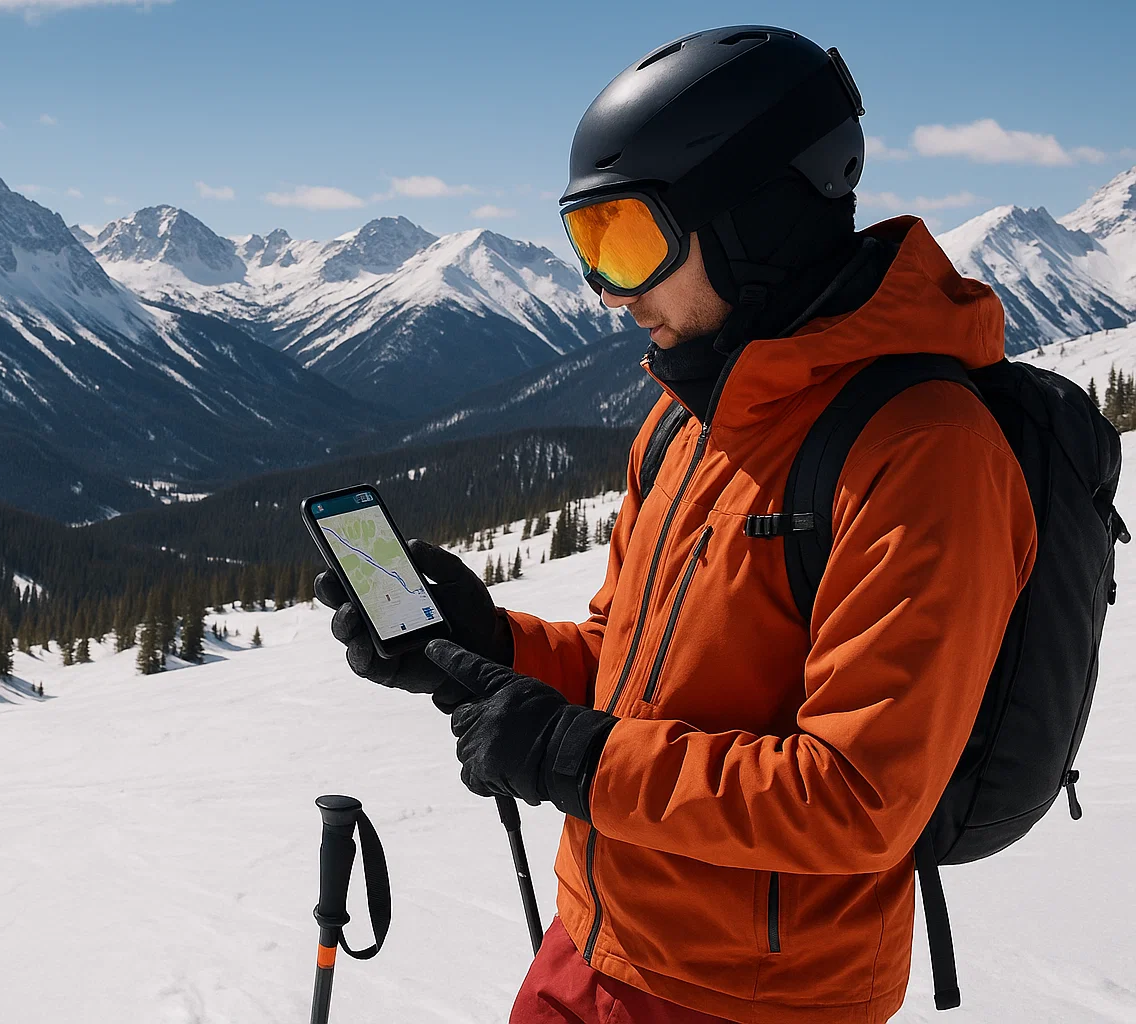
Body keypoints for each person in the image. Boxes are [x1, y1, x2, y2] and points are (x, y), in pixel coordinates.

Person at [315, 25, 1037, 1024]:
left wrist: (571, 756)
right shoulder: (689, 418)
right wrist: (491, 648)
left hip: (755, 999)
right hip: (598, 942)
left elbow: (859, 795)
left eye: (629, 239)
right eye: (588, 245)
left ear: (753, 219)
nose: (608, 290)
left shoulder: (921, 450)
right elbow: (628, 668)